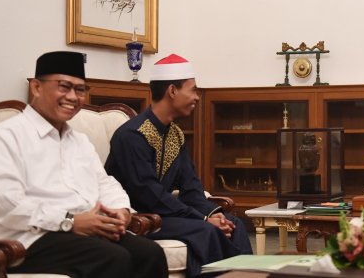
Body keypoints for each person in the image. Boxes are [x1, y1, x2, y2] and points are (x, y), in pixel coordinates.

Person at [0, 51, 168, 278]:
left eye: (80, 89)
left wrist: (121, 210)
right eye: (64, 86)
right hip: (25, 239)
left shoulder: (79, 141)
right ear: (36, 88)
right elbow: (6, 204)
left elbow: (105, 183)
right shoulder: (6, 136)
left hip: (82, 233)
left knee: (150, 253)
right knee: (113, 258)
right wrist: (69, 221)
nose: (73, 96)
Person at [105, 54, 253, 277]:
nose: (197, 97)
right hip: (142, 218)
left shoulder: (175, 134)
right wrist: (202, 219)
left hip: (167, 214)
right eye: (192, 90)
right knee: (207, 230)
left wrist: (215, 214)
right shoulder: (132, 135)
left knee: (234, 224)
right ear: (172, 91)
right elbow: (148, 194)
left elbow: (191, 186)